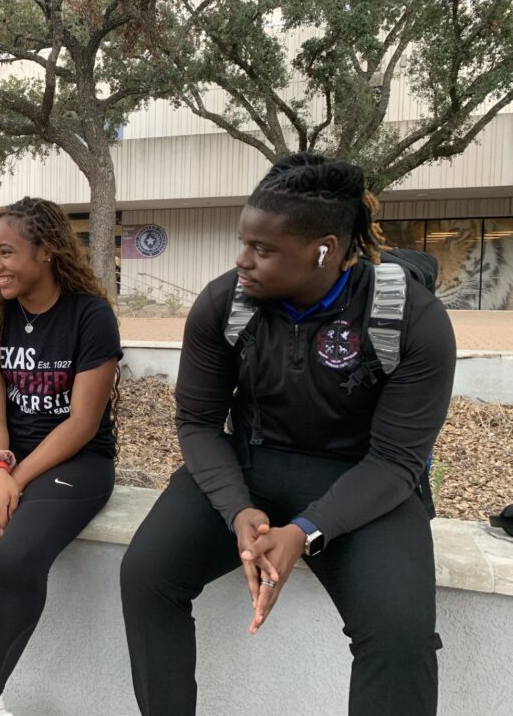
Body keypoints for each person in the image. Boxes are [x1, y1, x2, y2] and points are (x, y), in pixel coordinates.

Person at [120, 154, 456, 715]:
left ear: (323, 248)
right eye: (244, 242)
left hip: (364, 483)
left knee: (400, 636)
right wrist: (235, 509)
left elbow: (398, 460)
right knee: (147, 575)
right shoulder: (225, 303)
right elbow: (199, 423)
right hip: (249, 465)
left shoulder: (410, 319)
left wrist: (305, 531)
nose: (242, 260)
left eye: (263, 249)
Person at [0, 196, 122, 716]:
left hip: (74, 461)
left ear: (48, 252)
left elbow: (82, 422)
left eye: (7, 253)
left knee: (17, 556)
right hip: (1, 455)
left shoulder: (91, 316)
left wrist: (17, 475)